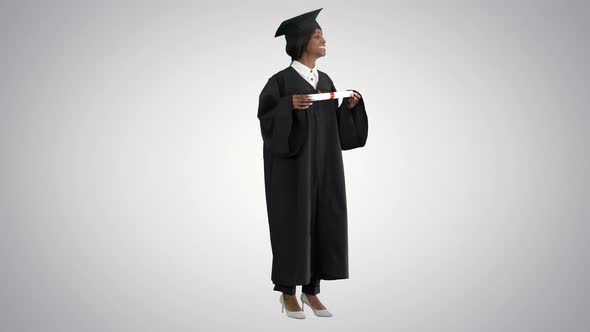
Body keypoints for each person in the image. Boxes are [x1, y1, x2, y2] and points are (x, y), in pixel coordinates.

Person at [257, 8, 368, 319]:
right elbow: (267, 124)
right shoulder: (279, 82)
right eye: (318, 36)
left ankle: (311, 290)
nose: (323, 41)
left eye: (323, 36)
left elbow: (338, 131)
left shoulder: (326, 80)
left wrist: (348, 108)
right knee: (292, 224)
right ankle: (287, 292)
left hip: (324, 168)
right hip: (291, 172)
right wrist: (287, 107)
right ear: (302, 41)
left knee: (323, 221)